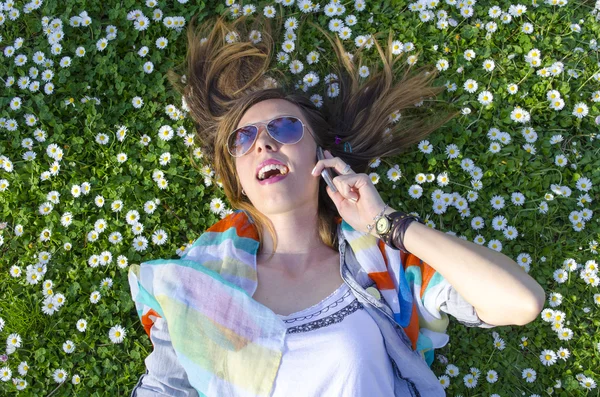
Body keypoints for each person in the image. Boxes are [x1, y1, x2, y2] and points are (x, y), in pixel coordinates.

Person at [128, 12, 546, 397]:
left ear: (322, 157)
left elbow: (520, 302)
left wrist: (387, 223)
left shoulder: (382, 265)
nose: (264, 142)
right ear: (236, 176)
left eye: (285, 127)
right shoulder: (193, 288)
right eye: (244, 137)